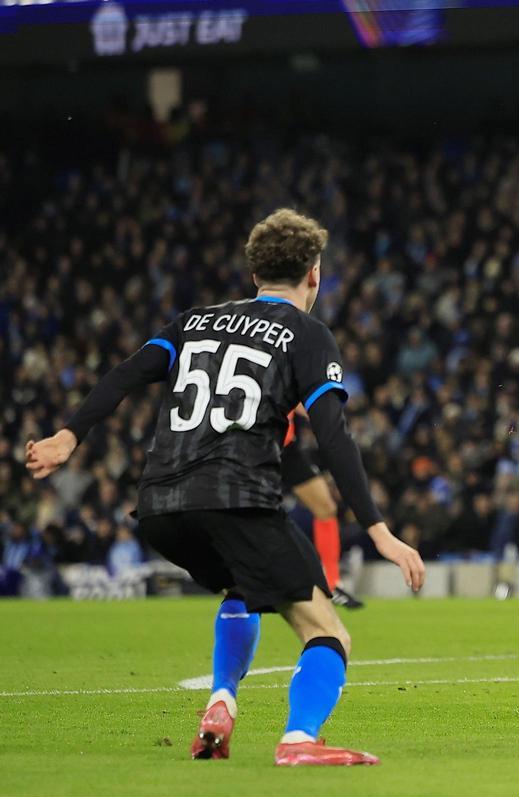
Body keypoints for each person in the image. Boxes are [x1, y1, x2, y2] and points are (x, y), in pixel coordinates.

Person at [25, 209, 426, 765]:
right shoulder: (307, 335)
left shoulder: (193, 322)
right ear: (314, 274)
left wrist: (69, 435)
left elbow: (123, 373)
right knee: (328, 633)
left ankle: (221, 701)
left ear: (253, 272)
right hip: (238, 498)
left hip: (161, 505)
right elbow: (333, 436)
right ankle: (299, 740)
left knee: (243, 588)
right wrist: (379, 530)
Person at [281, 409, 364, 609]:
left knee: (325, 508)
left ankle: (332, 583)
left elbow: (306, 400)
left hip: (285, 447)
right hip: (255, 445)